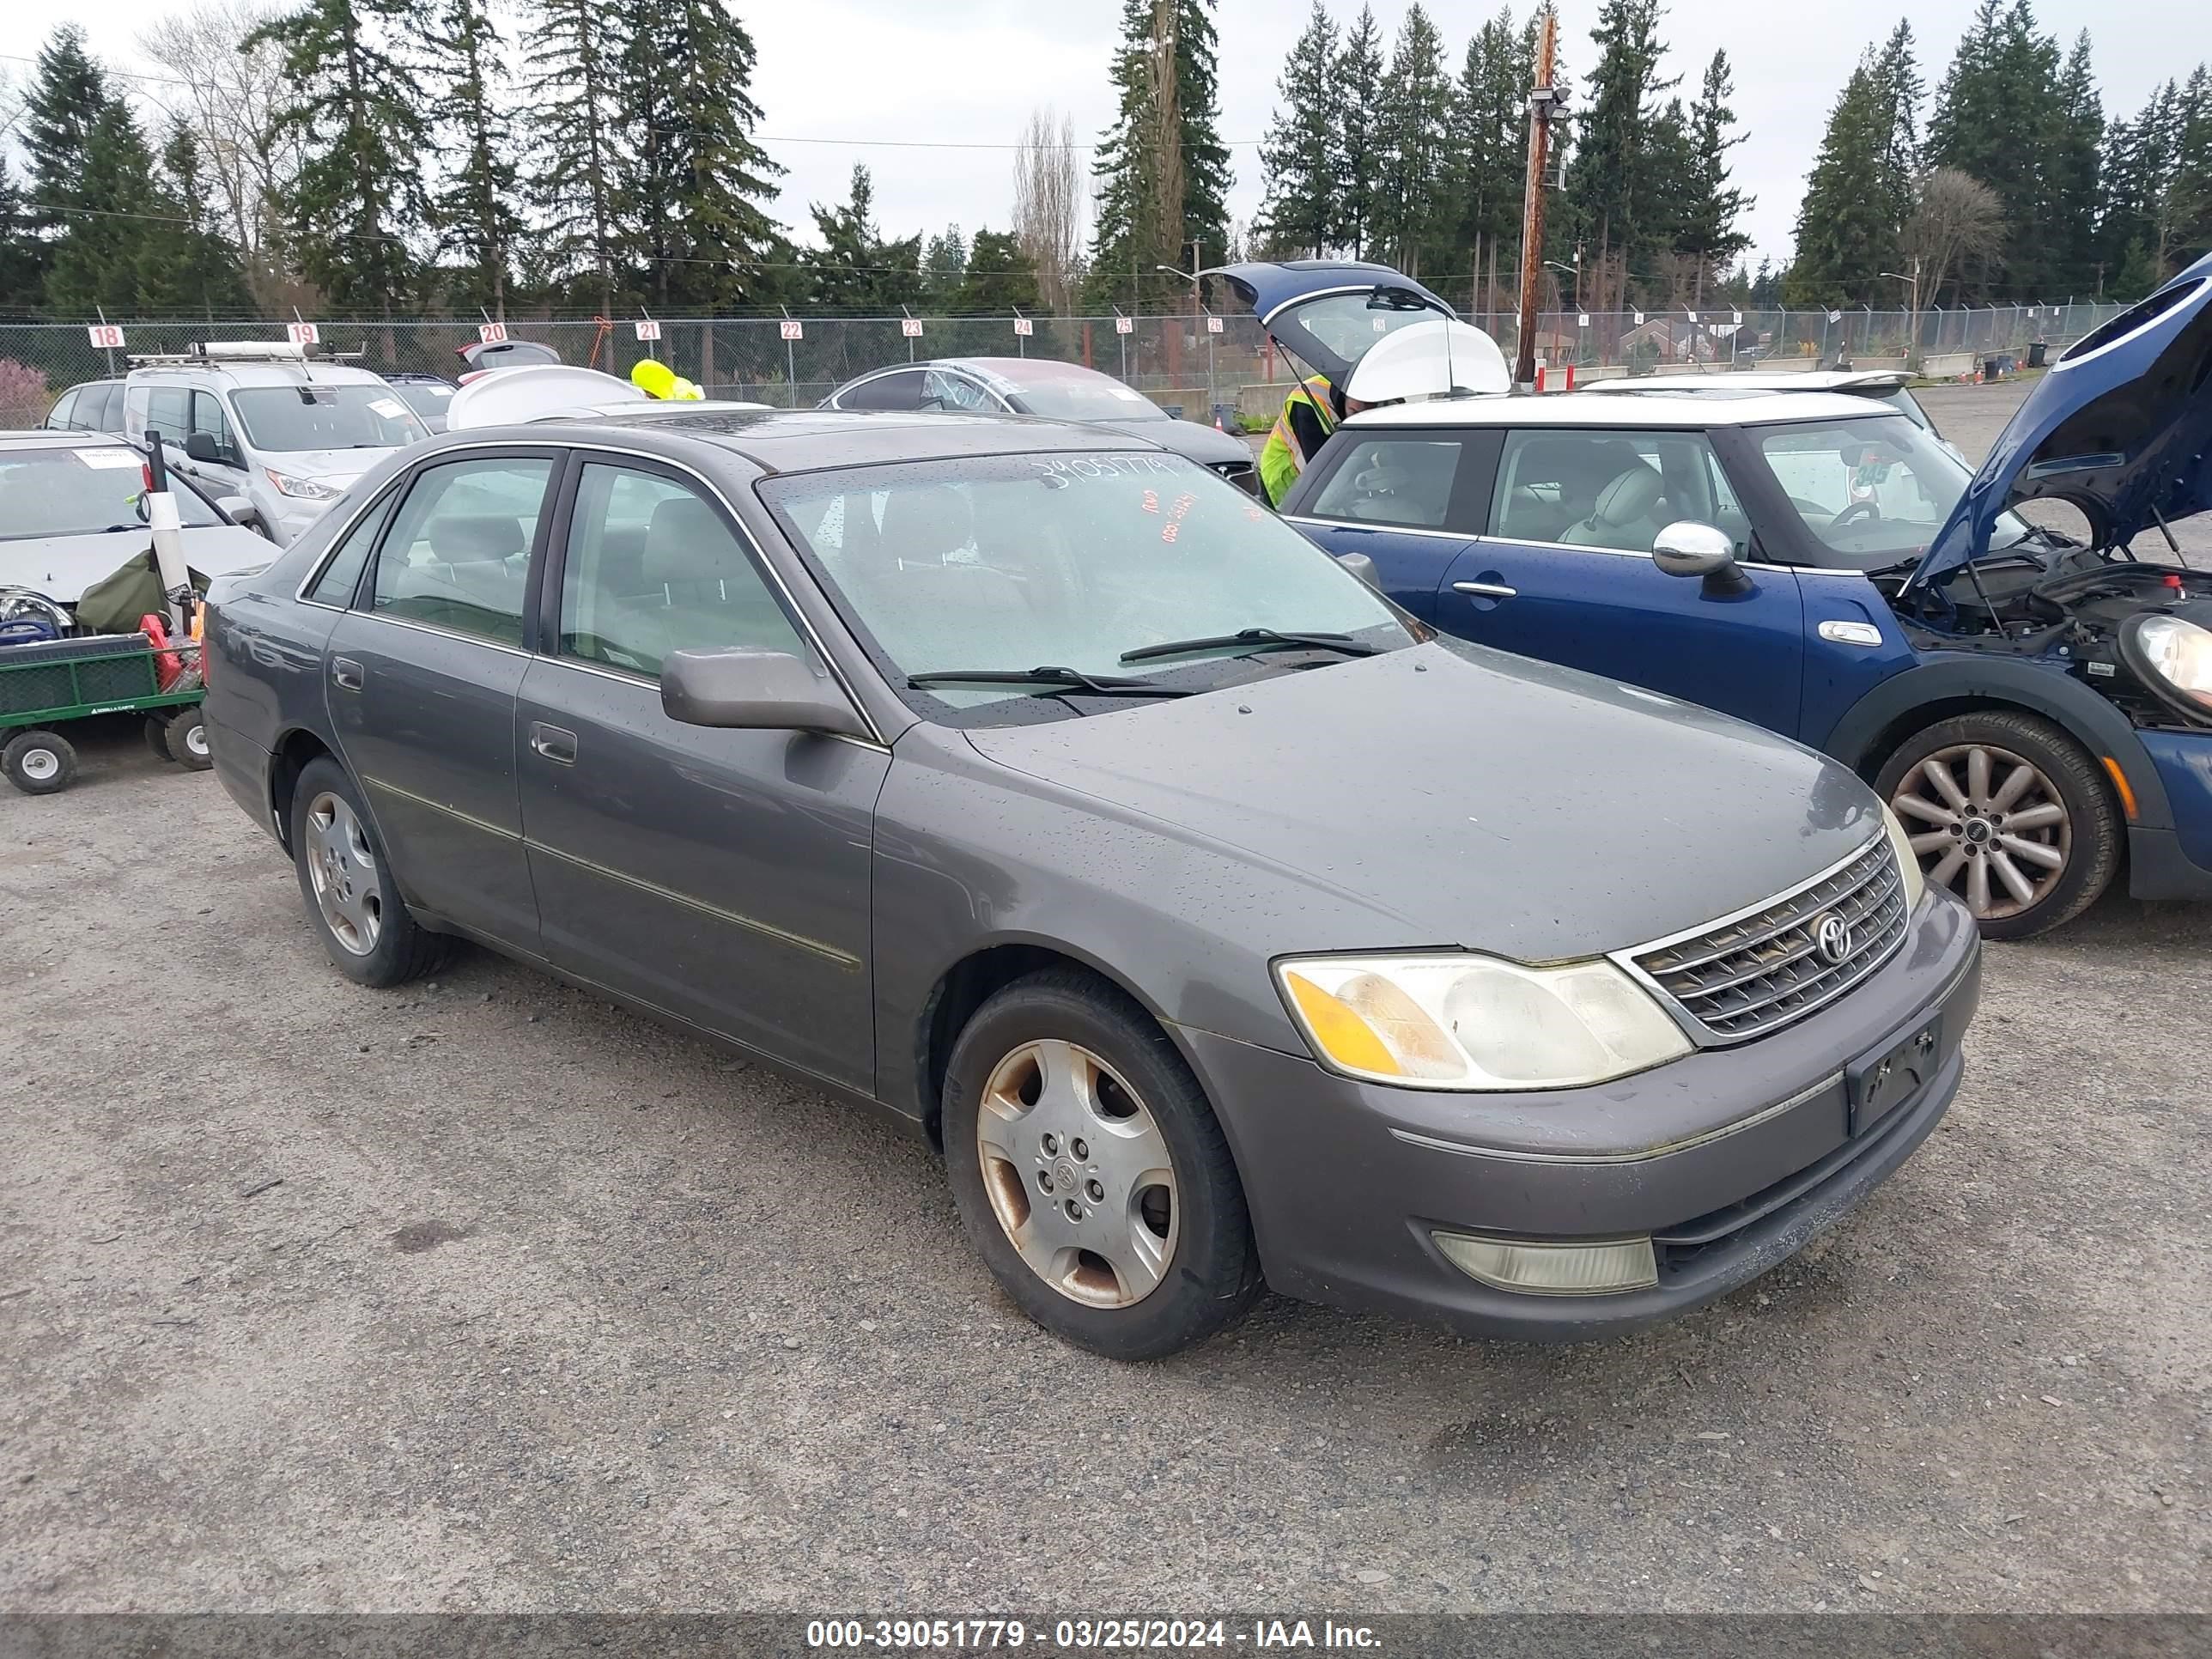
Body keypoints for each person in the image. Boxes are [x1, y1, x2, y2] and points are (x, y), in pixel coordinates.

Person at [1259, 374, 1370, 507]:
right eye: (1356, 411)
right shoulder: (1308, 400)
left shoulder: (1352, 384)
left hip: (1310, 475)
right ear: (1347, 391)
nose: (1366, 406)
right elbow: (1321, 468)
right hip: (1283, 475)